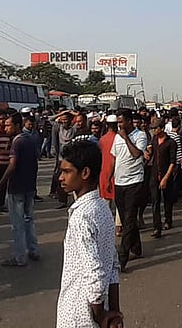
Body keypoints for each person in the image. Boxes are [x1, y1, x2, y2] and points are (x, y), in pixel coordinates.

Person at [55, 139, 123, 328]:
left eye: (67, 172)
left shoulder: (81, 217)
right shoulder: (102, 208)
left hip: (78, 313)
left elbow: (95, 272)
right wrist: (114, 312)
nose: (61, 178)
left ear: (85, 173)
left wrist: (101, 316)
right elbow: (112, 265)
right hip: (99, 308)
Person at [0, 113, 40, 267]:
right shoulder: (31, 139)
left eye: (8, 125)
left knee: (17, 224)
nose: (6, 128)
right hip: (30, 185)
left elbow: (12, 164)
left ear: (17, 125)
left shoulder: (17, 141)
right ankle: (33, 250)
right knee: (29, 219)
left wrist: (1, 183)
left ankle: (20, 257)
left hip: (17, 187)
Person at [111, 111, 148, 270]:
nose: (119, 125)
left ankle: (122, 258)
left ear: (128, 121)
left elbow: (136, 154)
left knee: (129, 218)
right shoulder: (117, 137)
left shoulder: (140, 135)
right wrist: (109, 177)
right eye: (118, 122)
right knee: (127, 219)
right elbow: (114, 158)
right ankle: (136, 248)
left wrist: (126, 138)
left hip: (134, 182)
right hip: (119, 182)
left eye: (121, 122)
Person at [147, 118, 179, 237]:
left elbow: (172, 162)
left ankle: (168, 220)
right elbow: (150, 154)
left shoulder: (171, 142)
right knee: (155, 201)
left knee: (167, 199)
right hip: (155, 173)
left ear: (162, 128)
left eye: (156, 128)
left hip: (166, 173)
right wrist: (148, 151)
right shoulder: (154, 140)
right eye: (153, 128)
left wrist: (166, 177)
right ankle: (157, 227)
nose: (154, 131)